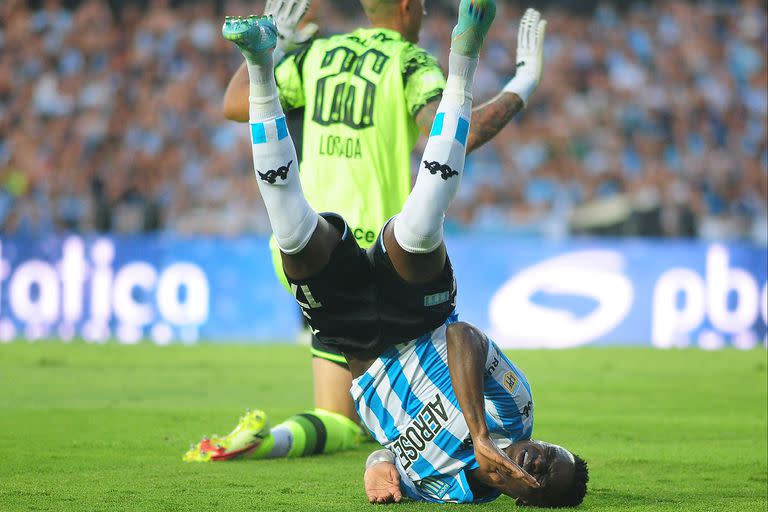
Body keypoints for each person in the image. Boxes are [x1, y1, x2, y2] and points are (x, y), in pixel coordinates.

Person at [202, 0, 589, 506]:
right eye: (551, 452)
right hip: (412, 311)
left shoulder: (447, 491)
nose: (538, 457)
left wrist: (377, 469)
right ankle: (464, 59)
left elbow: (384, 455)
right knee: (424, 219)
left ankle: (259, 64)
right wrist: (478, 433)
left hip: (357, 339)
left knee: (290, 228)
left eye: (543, 471)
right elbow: (462, 335)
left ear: (524, 493)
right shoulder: (515, 411)